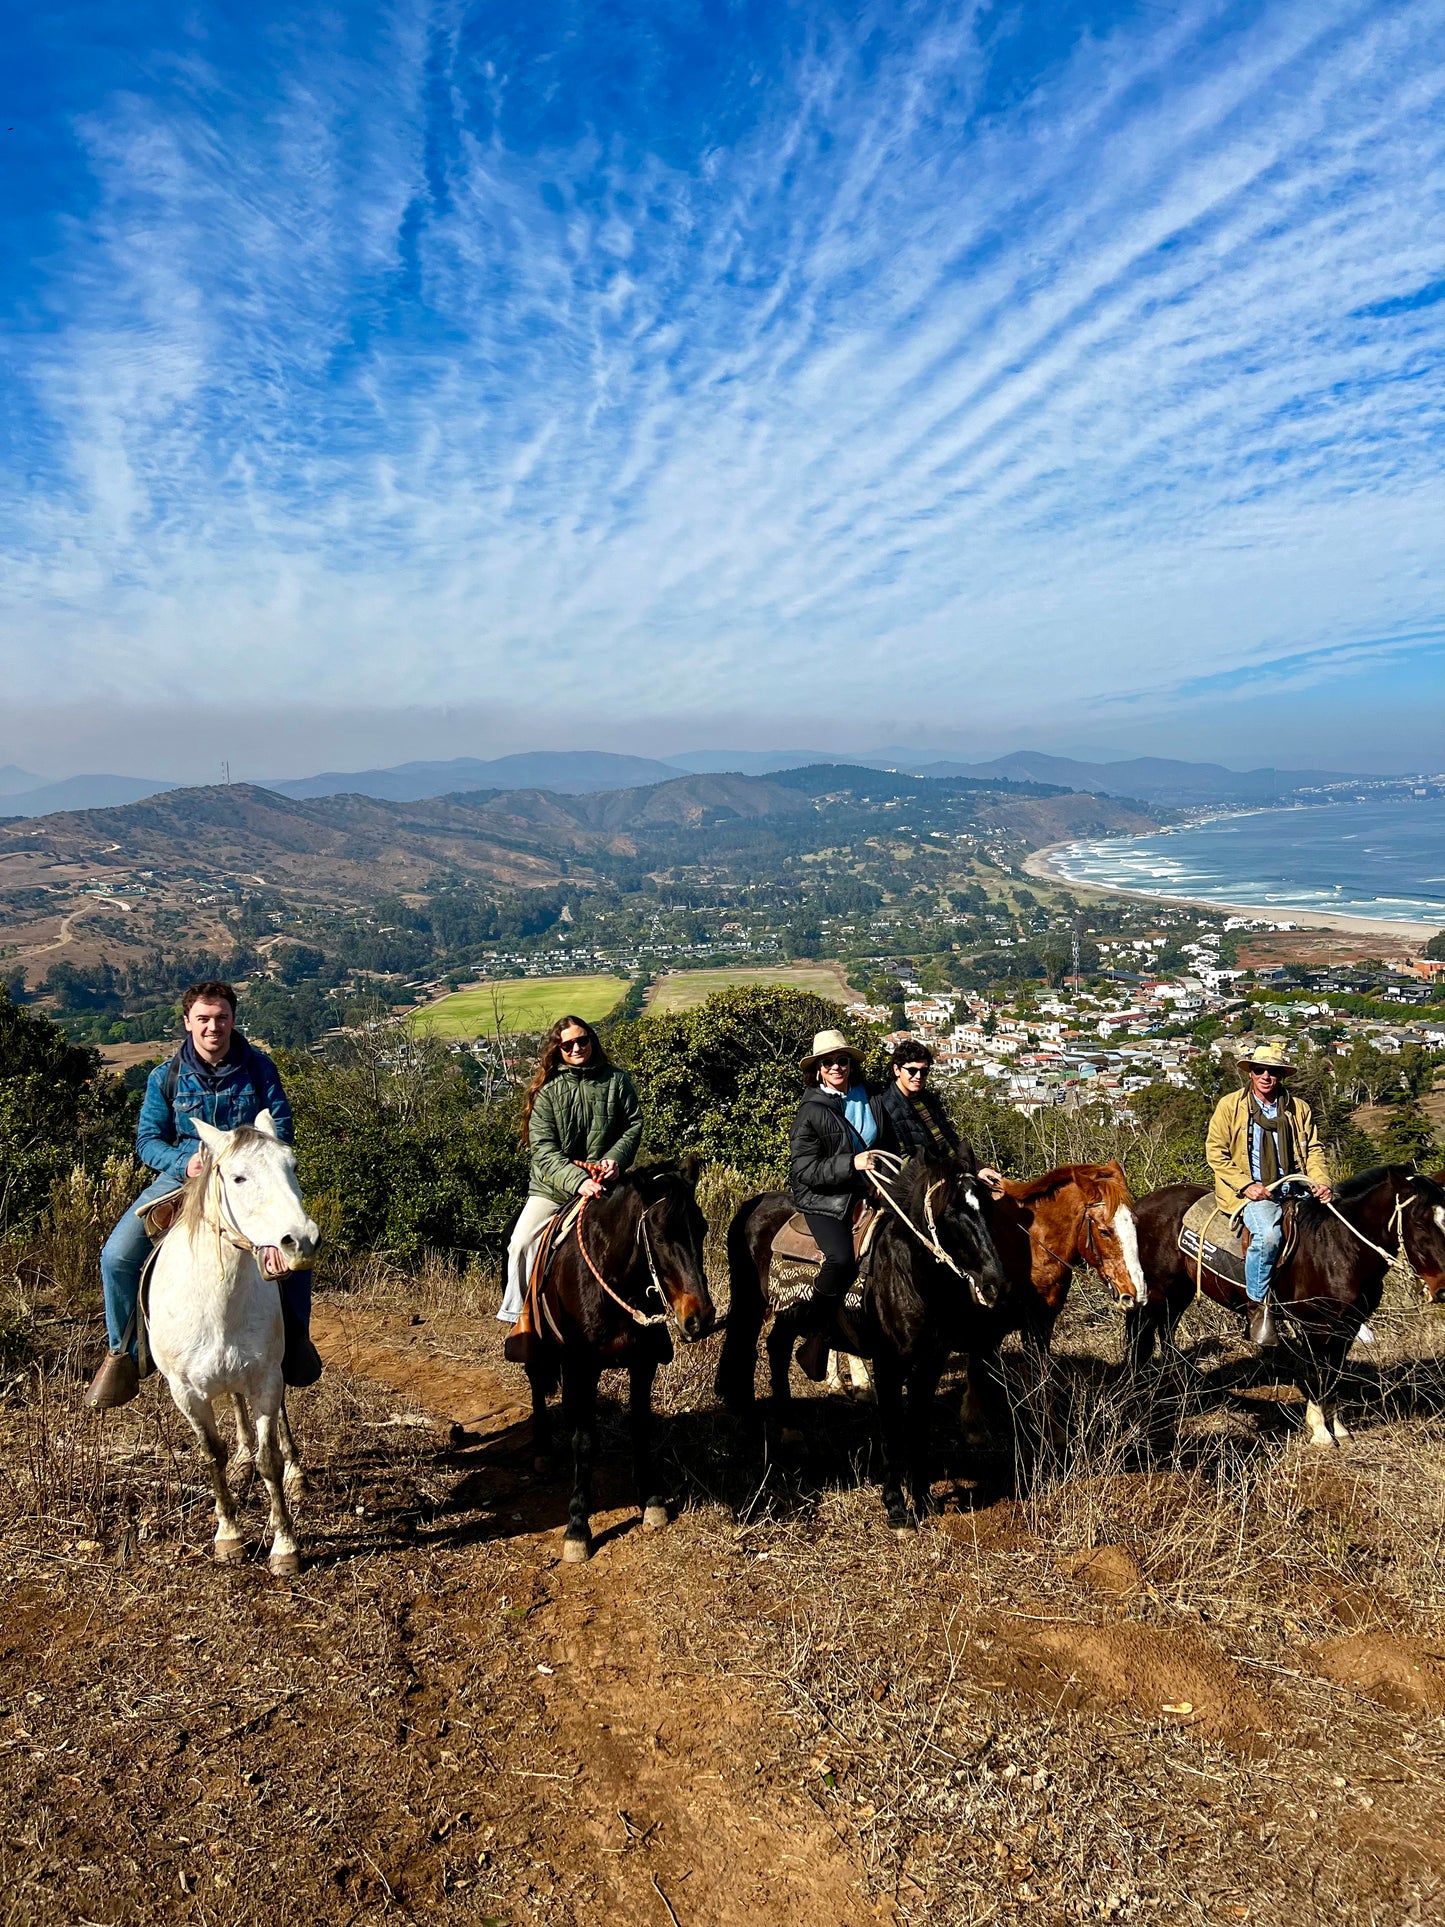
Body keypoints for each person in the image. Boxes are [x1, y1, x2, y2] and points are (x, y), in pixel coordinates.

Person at [86, 981, 321, 1409]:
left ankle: (295, 1340)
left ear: (233, 1020)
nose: (214, 1027)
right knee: (117, 1256)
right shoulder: (165, 1076)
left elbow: (281, 1129)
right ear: (188, 1022)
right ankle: (123, 1354)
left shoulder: (260, 1069)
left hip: (250, 1182)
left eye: (222, 1018)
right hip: (185, 1181)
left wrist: (250, 1158)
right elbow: (147, 1140)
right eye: (204, 1019)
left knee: (297, 1246)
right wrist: (185, 1164)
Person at [498, 1014, 643, 1326]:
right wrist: (578, 1181)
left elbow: (632, 1127)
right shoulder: (547, 1092)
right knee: (521, 1243)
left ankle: (659, 1324)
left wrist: (615, 1160)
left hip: (609, 1183)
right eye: (568, 1044)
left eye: (582, 1040)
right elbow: (544, 1150)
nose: (577, 1047)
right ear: (558, 1049)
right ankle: (519, 1320)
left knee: (653, 1235)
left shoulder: (618, 1081)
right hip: (553, 1189)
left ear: (591, 1040)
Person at [1205, 1037, 1332, 1348]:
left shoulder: (1297, 1108)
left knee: (1332, 1234)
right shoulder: (1230, 1106)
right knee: (1269, 1237)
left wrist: (1321, 1180)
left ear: (1281, 1075)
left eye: (1272, 1071)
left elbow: (1313, 1149)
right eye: (1260, 1070)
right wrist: (1246, 1185)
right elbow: (1215, 1151)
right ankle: (1258, 1306)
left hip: (1295, 1187)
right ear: (1250, 1073)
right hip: (1250, 1192)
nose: (1266, 1076)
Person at [787, 1028, 898, 1378]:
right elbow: (803, 1169)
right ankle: (816, 1333)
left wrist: (883, 1179)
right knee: (841, 1259)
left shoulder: (871, 1096)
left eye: (842, 1061)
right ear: (817, 1069)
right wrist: (852, 1164)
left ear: (851, 1064)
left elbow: (889, 1142)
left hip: (870, 1189)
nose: (836, 1067)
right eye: (828, 1062)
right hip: (824, 1199)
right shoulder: (811, 1110)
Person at [878, 1039, 963, 1159]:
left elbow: (950, 1138)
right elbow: (900, 1157)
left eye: (924, 1071)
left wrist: (975, 1166)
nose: (918, 1076)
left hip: (951, 1168)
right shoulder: (887, 1108)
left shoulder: (928, 1099)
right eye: (912, 1071)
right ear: (897, 1070)